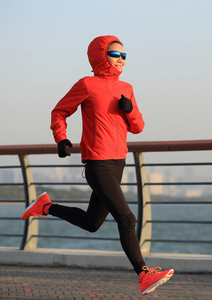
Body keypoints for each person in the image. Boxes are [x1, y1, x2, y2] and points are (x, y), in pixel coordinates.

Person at [21, 35, 174, 295]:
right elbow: (59, 112)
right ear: (102, 56)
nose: (122, 59)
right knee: (126, 218)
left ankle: (45, 206)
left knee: (92, 223)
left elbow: (138, 127)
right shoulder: (87, 84)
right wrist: (61, 138)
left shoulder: (127, 87)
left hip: (118, 162)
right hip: (98, 163)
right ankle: (143, 273)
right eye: (116, 54)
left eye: (125, 55)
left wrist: (130, 110)